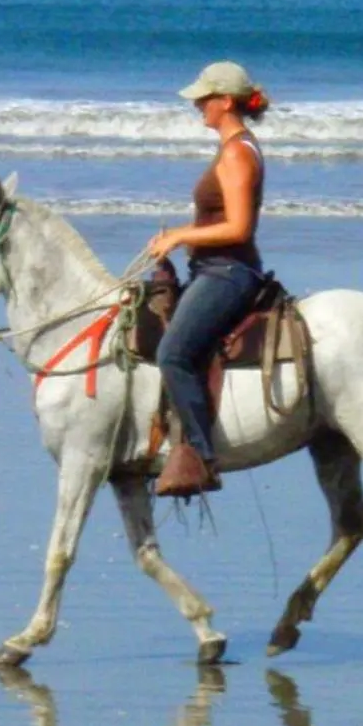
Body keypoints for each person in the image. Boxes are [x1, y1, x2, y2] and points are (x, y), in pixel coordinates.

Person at [145, 61, 270, 498]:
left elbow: (238, 228)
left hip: (229, 271)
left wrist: (181, 235)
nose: (198, 105)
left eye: (203, 99)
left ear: (223, 102)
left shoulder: (237, 152)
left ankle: (202, 456)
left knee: (173, 353)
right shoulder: (232, 147)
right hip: (212, 267)